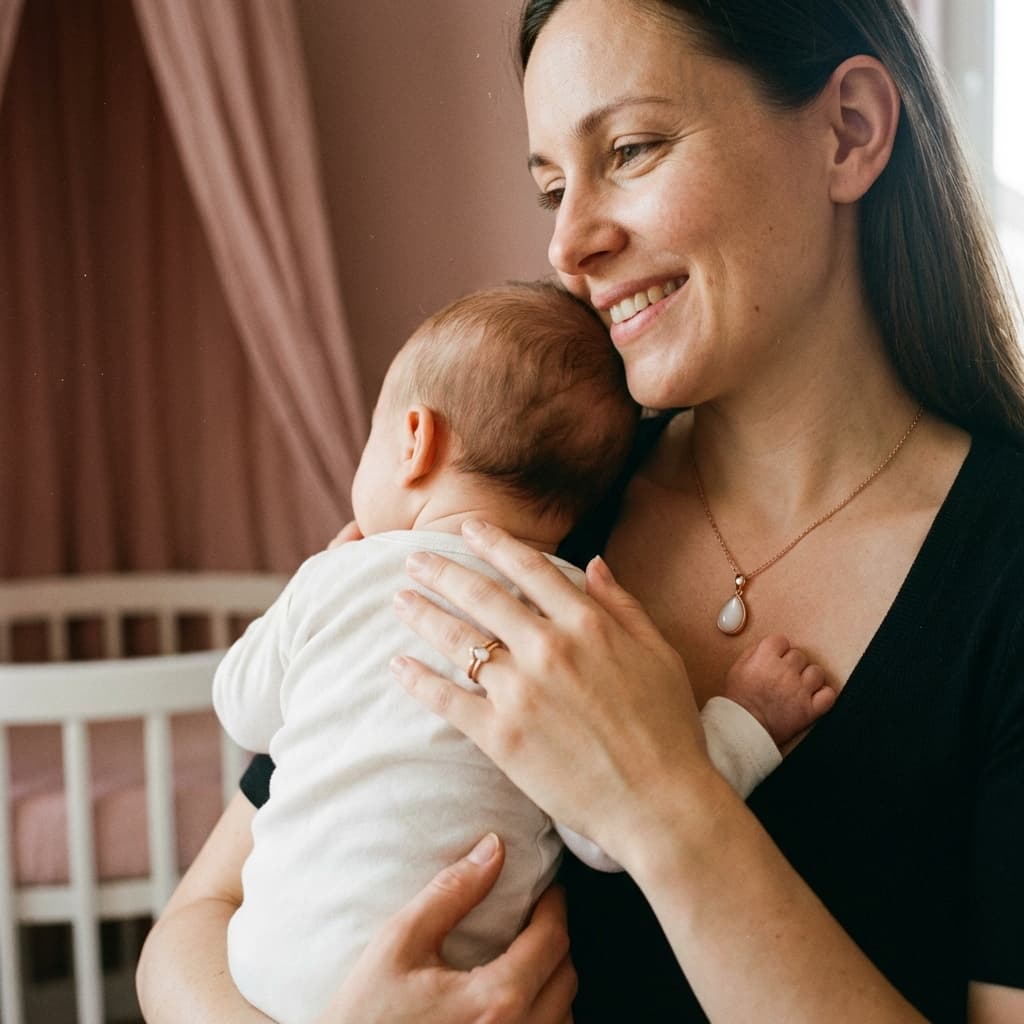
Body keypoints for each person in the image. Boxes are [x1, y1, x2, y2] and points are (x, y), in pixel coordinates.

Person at [136, 1, 1024, 1022]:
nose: (569, 243)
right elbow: (190, 927)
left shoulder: (1001, 574)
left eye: (631, 149)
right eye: (552, 187)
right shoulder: (529, 500)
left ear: (850, 130)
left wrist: (666, 810)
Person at [209, 280, 834, 1023]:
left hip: (257, 964)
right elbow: (605, 835)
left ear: (414, 439)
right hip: (457, 988)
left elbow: (241, 709)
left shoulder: (336, 576)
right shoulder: (576, 624)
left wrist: (308, 589)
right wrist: (748, 720)